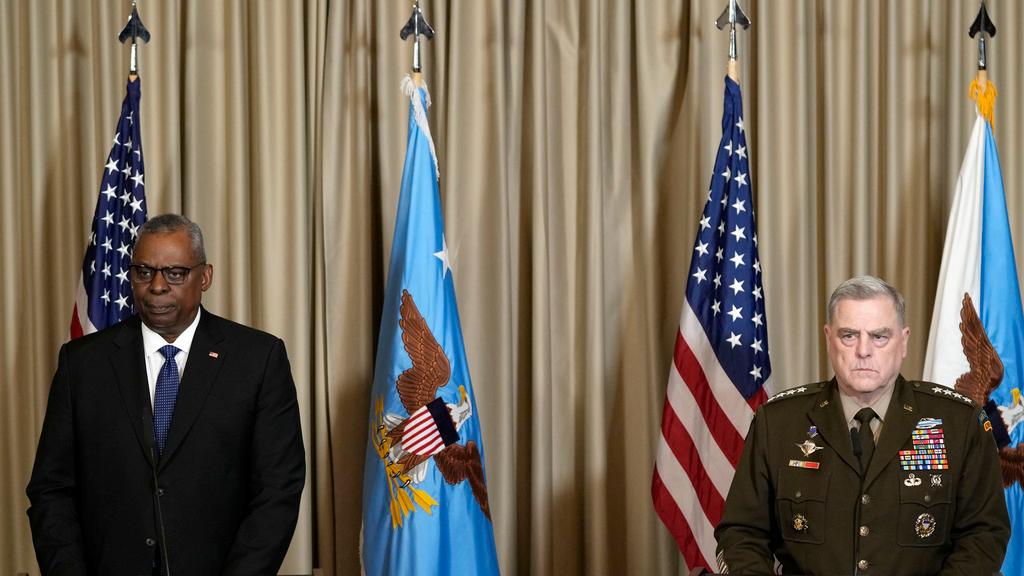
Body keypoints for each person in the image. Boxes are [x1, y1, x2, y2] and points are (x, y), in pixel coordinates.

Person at [27, 214, 305, 575]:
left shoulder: (258, 359)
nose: (157, 286)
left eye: (175, 273)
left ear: (204, 277)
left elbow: (278, 490)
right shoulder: (82, 364)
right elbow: (51, 490)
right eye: (144, 272)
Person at [715, 275, 1009, 575]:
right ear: (829, 339)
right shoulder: (778, 422)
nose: (863, 351)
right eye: (849, 335)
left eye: (879, 336)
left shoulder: (958, 424)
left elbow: (983, 535)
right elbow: (741, 534)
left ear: (903, 341)